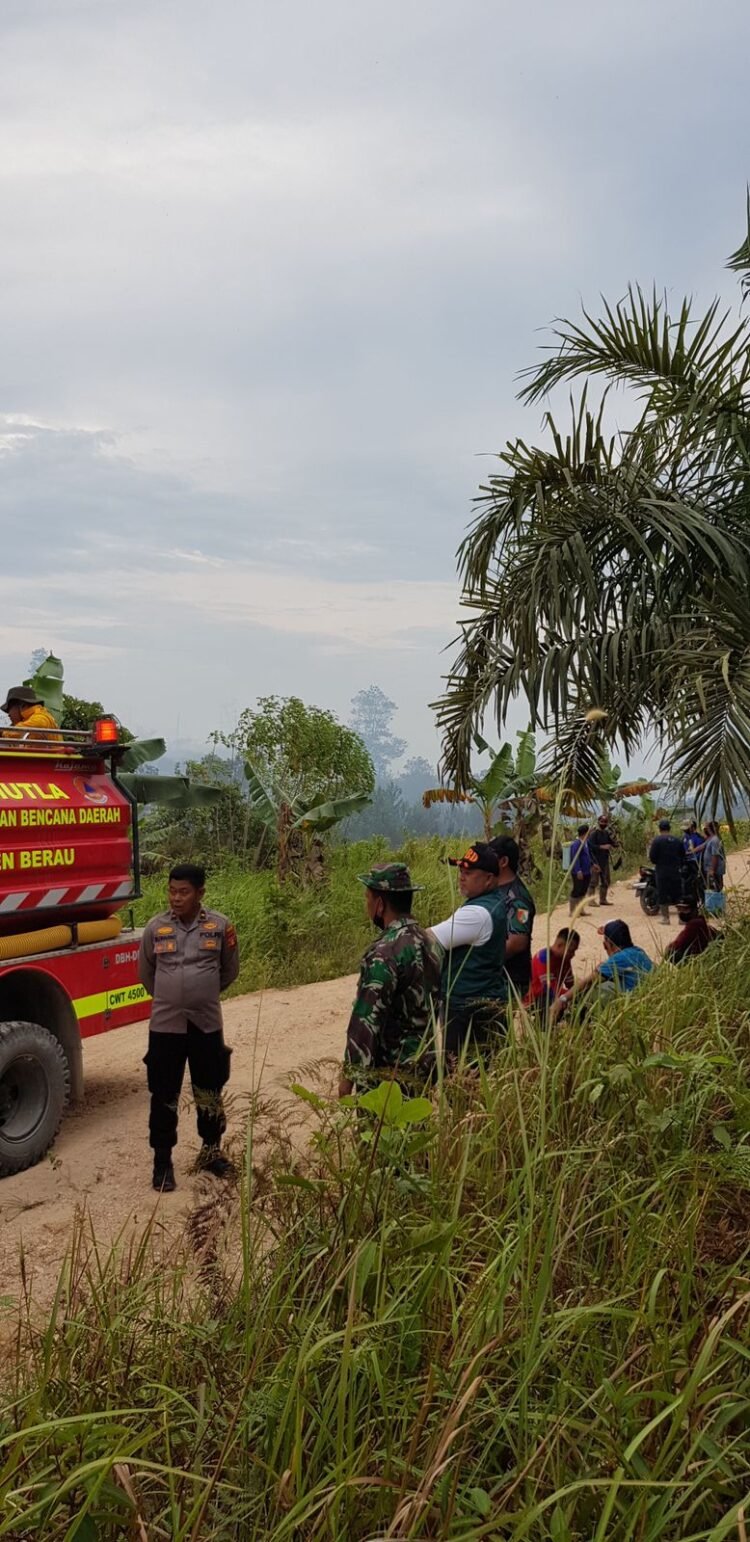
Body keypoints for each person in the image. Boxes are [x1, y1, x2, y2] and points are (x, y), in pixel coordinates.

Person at [139, 862, 240, 1192]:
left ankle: (211, 1153)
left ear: (200, 893)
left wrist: (200, 994)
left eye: (184, 892)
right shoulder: (155, 928)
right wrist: (174, 998)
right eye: (172, 891)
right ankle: (161, 1163)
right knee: (163, 1095)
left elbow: (229, 971)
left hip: (206, 1025)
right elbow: (147, 974)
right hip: (166, 1027)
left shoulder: (220, 926)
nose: (176, 898)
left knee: (209, 1092)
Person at [338, 862, 443, 1096]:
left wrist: (349, 1078)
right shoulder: (430, 943)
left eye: (368, 898)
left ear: (380, 904)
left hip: (387, 1078)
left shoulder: (384, 953)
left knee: (380, 1131)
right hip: (424, 1068)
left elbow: (366, 1022)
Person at [429, 842, 507, 1059]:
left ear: (489, 878)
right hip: (481, 1002)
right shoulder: (489, 903)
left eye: (469, 872)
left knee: (461, 1075)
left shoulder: (477, 913)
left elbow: (429, 938)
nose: (462, 877)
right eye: (461, 871)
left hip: (468, 1007)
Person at [555, 919, 653, 1015]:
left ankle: (582, 1024)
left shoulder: (620, 958)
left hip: (633, 1006)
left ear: (607, 944)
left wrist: (562, 999)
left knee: (586, 990)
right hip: (647, 1002)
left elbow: (588, 982)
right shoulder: (638, 951)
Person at [488, 833, 536, 1001]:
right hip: (496, 974)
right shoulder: (494, 889)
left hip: (510, 978)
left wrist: (483, 959)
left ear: (503, 862)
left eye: (491, 856)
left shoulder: (518, 899)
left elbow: (518, 941)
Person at [525, 929, 580, 1014]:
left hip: (555, 996)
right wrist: (569, 995)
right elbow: (549, 988)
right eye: (571, 951)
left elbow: (570, 983)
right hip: (536, 1000)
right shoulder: (543, 958)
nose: (573, 954)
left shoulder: (565, 959)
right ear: (559, 945)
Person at [648, 818, 686, 924]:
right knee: (678, 895)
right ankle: (681, 919)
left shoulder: (657, 841)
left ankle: (666, 918)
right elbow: (683, 855)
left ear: (660, 829)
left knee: (663, 893)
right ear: (669, 828)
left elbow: (652, 857)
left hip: (662, 871)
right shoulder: (677, 840)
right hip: (675, 871)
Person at [664, 896, 718, 964]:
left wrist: (669, 947)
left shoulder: (694, 924)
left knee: (670, 952)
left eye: (685, 909)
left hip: (696, 958)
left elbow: (680, 943)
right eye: (680, 909)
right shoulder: (699, 921)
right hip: (698, 955)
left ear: (694, 910)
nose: (681, 912)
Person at [588, 813, 620, 906]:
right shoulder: (594, 834)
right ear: (598, 822)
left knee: (606, 880)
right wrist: (602, 847)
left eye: (605, 822)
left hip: (604, 860)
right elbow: (590, 846)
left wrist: (616, 843)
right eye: (602, 822)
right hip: (595, 861)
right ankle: (590, 900)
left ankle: (603, 899)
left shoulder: (606, 833)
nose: (604, 823)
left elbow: (612, 843)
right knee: (593, 881)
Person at [568, 824, 593, 915]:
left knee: (583, 891)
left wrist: (592, 865)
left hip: (587, 871)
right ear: (584, 833)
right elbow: (575, 858)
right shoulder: (576, 844)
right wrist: (578, 870)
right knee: (577, 890)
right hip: (578, 872)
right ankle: (572, 911)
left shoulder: (585, 843)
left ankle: (580, 909)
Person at [681, 819, 705, 903]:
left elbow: (699, 852)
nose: (685, 830)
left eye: (687, 828)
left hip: (694, 863)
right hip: (685, 862)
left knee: (693, 881)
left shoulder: (698, 838)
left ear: (692, 827)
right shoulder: (685, 837)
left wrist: (690, 856)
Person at [702, 821, 726, 892]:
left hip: (715, 869)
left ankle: (717, 902)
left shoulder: (715, 840)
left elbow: (715, 856)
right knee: (711, 887)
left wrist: (712, 870)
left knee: (715, 887)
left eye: (707, 828)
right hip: (710, 868)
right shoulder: (711, 839)